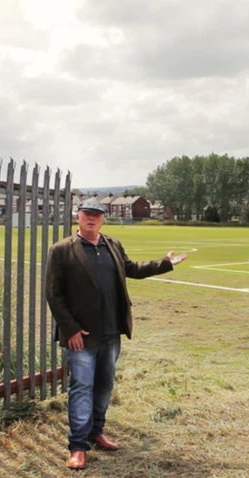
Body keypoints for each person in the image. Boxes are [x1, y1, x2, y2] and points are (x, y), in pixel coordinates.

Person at [45, 198, 187, 470]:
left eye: (97, 215)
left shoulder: (113, 245)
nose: (92, 218)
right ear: (78, 217)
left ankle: (97, 431)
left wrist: (165, 263)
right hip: (82, 336)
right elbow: (53, 293)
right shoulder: (62, 250)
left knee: (104, 387)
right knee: (81, 388)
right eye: (87, 213)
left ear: (103, 219)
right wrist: (70, 328)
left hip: (112, 332)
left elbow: (132, 269)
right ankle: (77, 447)